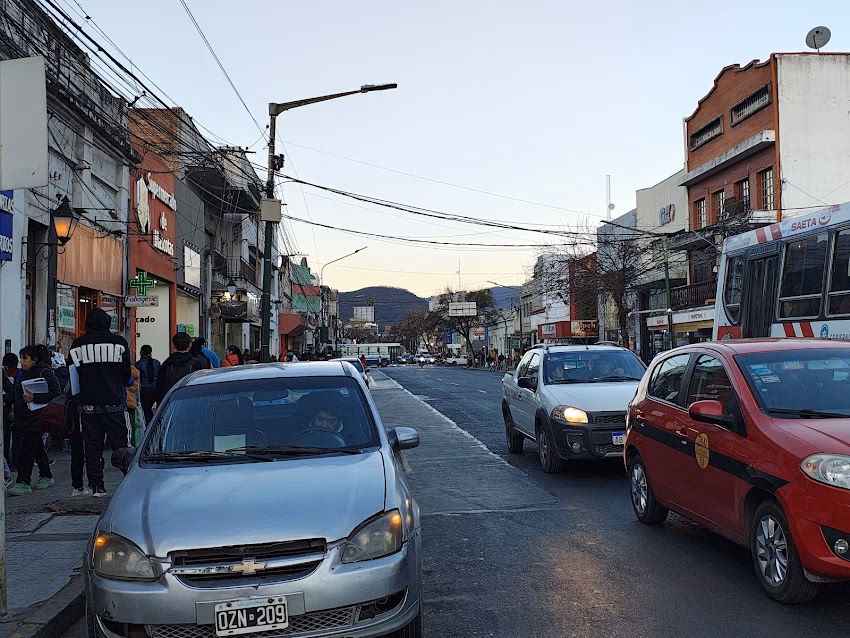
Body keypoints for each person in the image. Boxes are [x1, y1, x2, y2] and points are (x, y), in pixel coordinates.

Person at [69, 308, 133, 498]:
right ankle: (130, 484)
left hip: (88, 405)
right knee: (122, 446)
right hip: (114, 404)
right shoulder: (119, 343)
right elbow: (125, 375)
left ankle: (97, 487)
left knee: (92, 447)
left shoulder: (77, 345)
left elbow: (74, 377)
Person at [8, 345, 60, 496]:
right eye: (21, 359)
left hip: (39, 417)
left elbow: (56, 392)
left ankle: (23, 481)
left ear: (35, 360)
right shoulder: (21, 374)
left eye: (25, 358)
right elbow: (15, 394)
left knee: (26, 449)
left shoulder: (45, 372)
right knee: (36, 447)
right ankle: (46, 475)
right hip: (22, 417)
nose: (22, 362)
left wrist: (35, 398)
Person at [156, 332, 205, 404]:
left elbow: (159, 387)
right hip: (192, 402)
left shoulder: (167, 363)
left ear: (174, 345)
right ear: (190, 345)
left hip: (171, 404)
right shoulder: (196, 363)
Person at [135, 345, 159, 424]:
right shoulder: (157, 363)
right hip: (155, 389)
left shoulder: (138, 364)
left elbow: (136, 378)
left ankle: (149, 424)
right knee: (149, 408)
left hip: (144, 389)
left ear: (141, 352)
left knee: (145, 409)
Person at [3, 353, 19, 472]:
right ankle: (13, 462)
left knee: (8, 436)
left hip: (10, 409)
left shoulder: (6, 374)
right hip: (14, 409)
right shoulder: (20, 374)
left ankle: (8, 460)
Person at [126, 361, 141, 445]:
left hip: (123, 402)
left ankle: (128, 441)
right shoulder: (136, 372)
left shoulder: (123, 371)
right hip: (132, 402)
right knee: (132, 424)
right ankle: (134, 441)